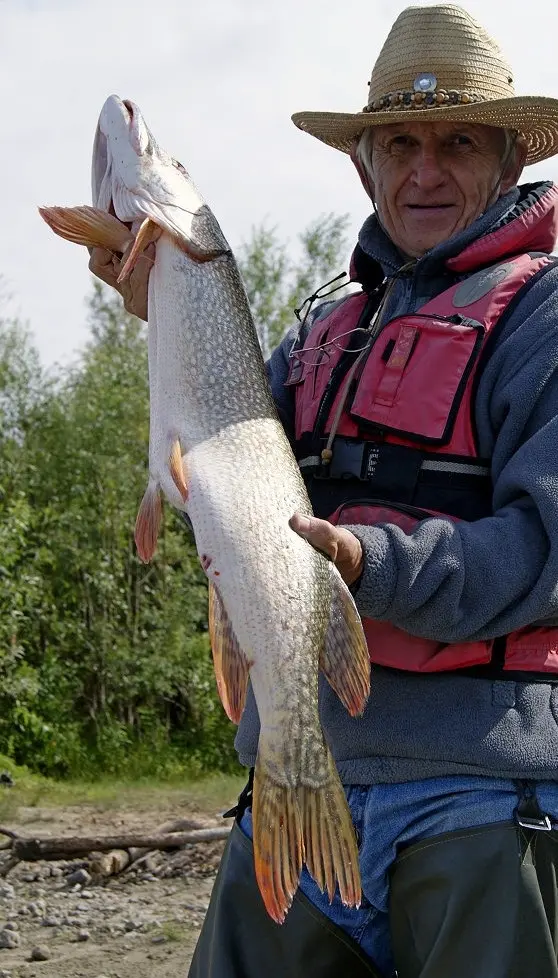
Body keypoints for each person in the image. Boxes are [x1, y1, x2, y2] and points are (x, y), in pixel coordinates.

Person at [90, 5, 558, 976]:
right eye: (400, 144)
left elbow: (540, 549)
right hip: (296, 780)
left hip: (476, 797)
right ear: (365, 163)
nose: (423, 170)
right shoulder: (326, 328)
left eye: (457, 141)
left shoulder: (542, 317)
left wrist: (366, 563)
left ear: (511, 158)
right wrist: (165, 309)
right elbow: (226, 467)